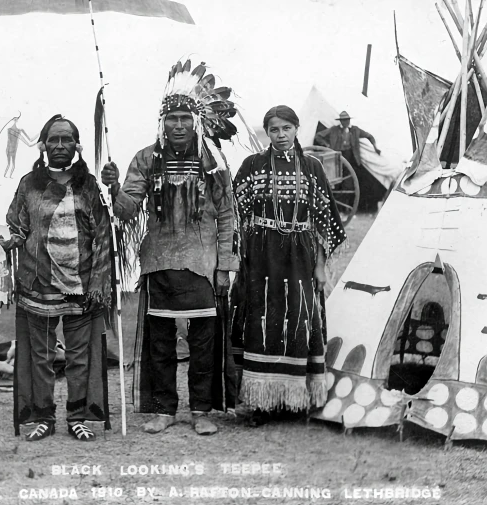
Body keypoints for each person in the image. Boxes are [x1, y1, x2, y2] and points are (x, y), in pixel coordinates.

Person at [101, 60, 240, 436]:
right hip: (159, 260)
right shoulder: (147, 159)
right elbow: (127, 209)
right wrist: (114, 188)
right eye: (171, 118)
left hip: (202, 263)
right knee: (160, 340)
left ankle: (201, 410)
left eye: (184, 118)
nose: (177, 125)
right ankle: (162, 409)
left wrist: (225, 266)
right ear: (162, 122)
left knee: (203, 341)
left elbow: (227, 216)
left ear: (195, 121)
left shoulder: (213, 163)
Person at [233, 105, 346, 426]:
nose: (281, 135)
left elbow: (325, 222)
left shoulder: (312, 167)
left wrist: (321, 266)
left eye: (286, 128)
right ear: (266, 132)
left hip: (301, 257)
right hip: (261, 256)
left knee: (299, 319)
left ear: (297, 128)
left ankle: (296, 399)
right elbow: (234, 214)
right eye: (274, 130)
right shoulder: (252, 165)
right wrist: (239, 258)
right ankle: (260, 402)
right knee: (262, 320)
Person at [5, 115, 112, 442]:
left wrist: (99, 279)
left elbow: (102, 233)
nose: (61, 145)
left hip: (80, 286)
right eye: (54, 139)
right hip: (38, 285)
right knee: (42, 356)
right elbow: (18, 226)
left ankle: (78, 417)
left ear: (77, 145)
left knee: (80, 357)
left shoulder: (89, 184)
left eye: (67, 139)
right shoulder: (29, 184)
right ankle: (43, 417)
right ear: (43, 145)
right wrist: (6, 243)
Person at [314, 111, 387, 212]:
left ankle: (346, 208)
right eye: (343, 121)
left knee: (349, 184)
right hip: (337, 159)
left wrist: (375, 148)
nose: (345, 122)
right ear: (341, 121)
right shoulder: (334, 130)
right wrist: (327, 145)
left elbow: (369, 136)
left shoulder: (355, 130)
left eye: (347, 120)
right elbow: (318, 136)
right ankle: (337, 208)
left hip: (351, 159)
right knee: (336, 183)